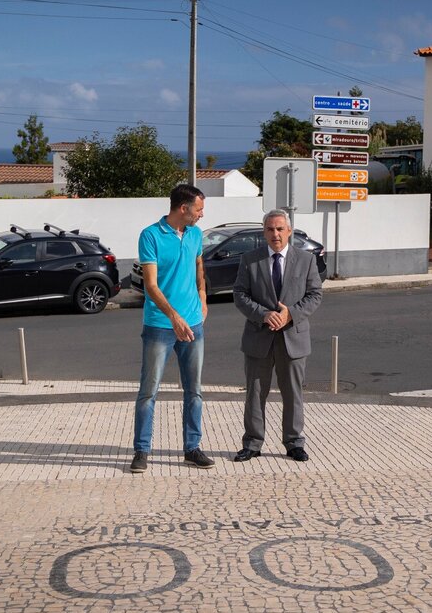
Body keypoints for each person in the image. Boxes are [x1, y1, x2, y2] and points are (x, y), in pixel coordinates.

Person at [130, 184, 213, 473]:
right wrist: (174, 318)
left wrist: (202, 296)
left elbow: (199, 263)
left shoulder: (195, 234)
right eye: (199, 209)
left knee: (194, 390)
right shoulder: (150, 235)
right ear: (183, 208)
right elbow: (150, 285)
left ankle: (192, 448)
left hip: (193, 325)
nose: (202, 214)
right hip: (160, 326)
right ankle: (141, 451)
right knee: (148, 391)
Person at [232, 210, 323, 463]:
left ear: (289, 231)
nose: (275, 234)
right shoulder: (250, 260)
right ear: (264, 232)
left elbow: (315, 295)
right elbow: (239, 294)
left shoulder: (305, 260)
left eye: (280, 229)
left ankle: (294, 443)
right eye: (271, 229)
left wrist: (290, 314)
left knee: (293, 393)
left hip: (293, 338)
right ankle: (252, 443)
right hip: (258, 338)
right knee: (255, 393)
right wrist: (263, 314)